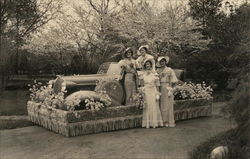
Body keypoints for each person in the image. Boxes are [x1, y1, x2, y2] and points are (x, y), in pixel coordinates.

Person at [140, 58, 163, 128]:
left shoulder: (155, 74)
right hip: (146, 91)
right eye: (146, 64)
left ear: (151, 65)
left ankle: (155, 123)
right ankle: (147, 123)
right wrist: (142, 93)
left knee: (154, 106)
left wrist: (158, 94)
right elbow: (141, 85)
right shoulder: (142, 74)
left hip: (153, 91)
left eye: (149, 64)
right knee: (147, 106)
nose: (147, 66)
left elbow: (158, 84)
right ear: (145, 65)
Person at [156, 56, 178, 127]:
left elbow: (174, 80)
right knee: (161, 104)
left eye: (163, 61)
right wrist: (159, 76)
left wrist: (171, 88)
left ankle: (168, 121)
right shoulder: (158, 71)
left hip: (167, 87)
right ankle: (162, 120)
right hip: (160, 87)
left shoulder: (169, 70)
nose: (162, 63)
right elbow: (155, 80)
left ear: (165, 62)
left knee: (167, 104)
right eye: (160, 62)